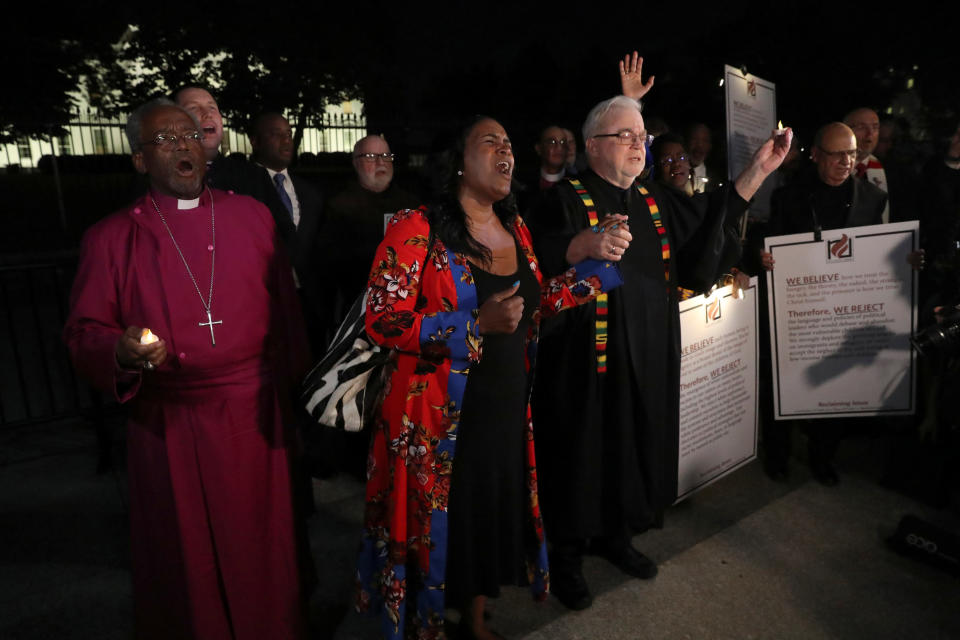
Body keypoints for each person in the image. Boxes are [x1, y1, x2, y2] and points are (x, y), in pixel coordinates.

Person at [355, 117, 624, 640]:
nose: (506, 150)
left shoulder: (515, 225)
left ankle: (475, 619)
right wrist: (474, 324)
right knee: (430, 523)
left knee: (482, 515)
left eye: (508, 142)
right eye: (490, 141)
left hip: (502, 405)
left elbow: (531, 308)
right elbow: (383, 319)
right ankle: (423, 623)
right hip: (432, 414)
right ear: (459, 159)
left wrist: (595, 267)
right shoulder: (418, 225)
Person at [528, 85, 791, 610]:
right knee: (582, 451)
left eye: (641, 136)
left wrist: (757, 171)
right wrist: (578, 247)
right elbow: (531, 258)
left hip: (649, 350)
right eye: (624, 135)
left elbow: (708, 225)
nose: (638, 144)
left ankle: (615, 536)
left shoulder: (653, 200)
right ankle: (568, 554)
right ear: (592, 144)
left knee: (632, 443)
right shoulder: (561, 199)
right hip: (582, 361)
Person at [63, 98, 309, 639]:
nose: (183, 145)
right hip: (170, 422)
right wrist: (119, 350)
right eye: (166, 139)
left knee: (262, 549)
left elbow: (286, 316)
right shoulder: (111, 238)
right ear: (138, 161)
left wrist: (296, 393)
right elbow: (84, 331)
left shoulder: (252, 215)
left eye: (190, 135)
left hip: (254, 418)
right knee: (188, 559)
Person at [759, 122, 886, 486]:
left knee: (835, 388)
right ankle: (778, 455)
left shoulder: (872, 200)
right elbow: (769, 243)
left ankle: (822, 457)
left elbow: (878, 253)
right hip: (797, 311)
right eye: (836, 154)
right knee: (782, 382)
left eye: (851, 153)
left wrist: (904, 261)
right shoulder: (789, 197)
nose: (845, 161)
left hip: (844, 314)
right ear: (816, 155)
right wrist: (764, 257)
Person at [248, 111, 325, 350]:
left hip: (306, 302)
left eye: (289, 134)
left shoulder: (311, 193)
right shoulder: (241, 190)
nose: (286, 140)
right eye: (276, 134)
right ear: (255, 141)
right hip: (261, 301)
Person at [324, 134, 420, 310]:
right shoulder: (339, 207)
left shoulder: (410, 205)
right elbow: (330, 267)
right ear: (355, 162)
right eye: (370, 156)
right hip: (357, 305)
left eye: (385, 156)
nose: (380, 162)